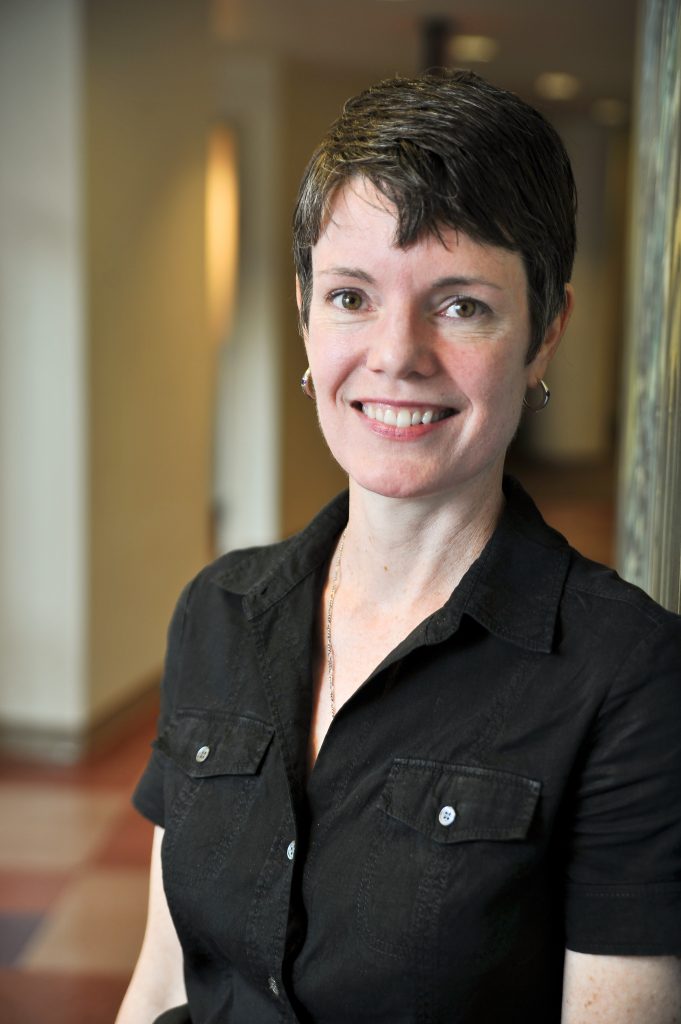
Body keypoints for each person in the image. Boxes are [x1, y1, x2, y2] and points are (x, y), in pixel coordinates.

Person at [116, 70, 681, 1024]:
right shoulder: (217, 611)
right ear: (304, 310)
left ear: (545, 333)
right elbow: (166, 978)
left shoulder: (628, 678)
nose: (394, 353)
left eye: (460, 305)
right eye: (350, 296)